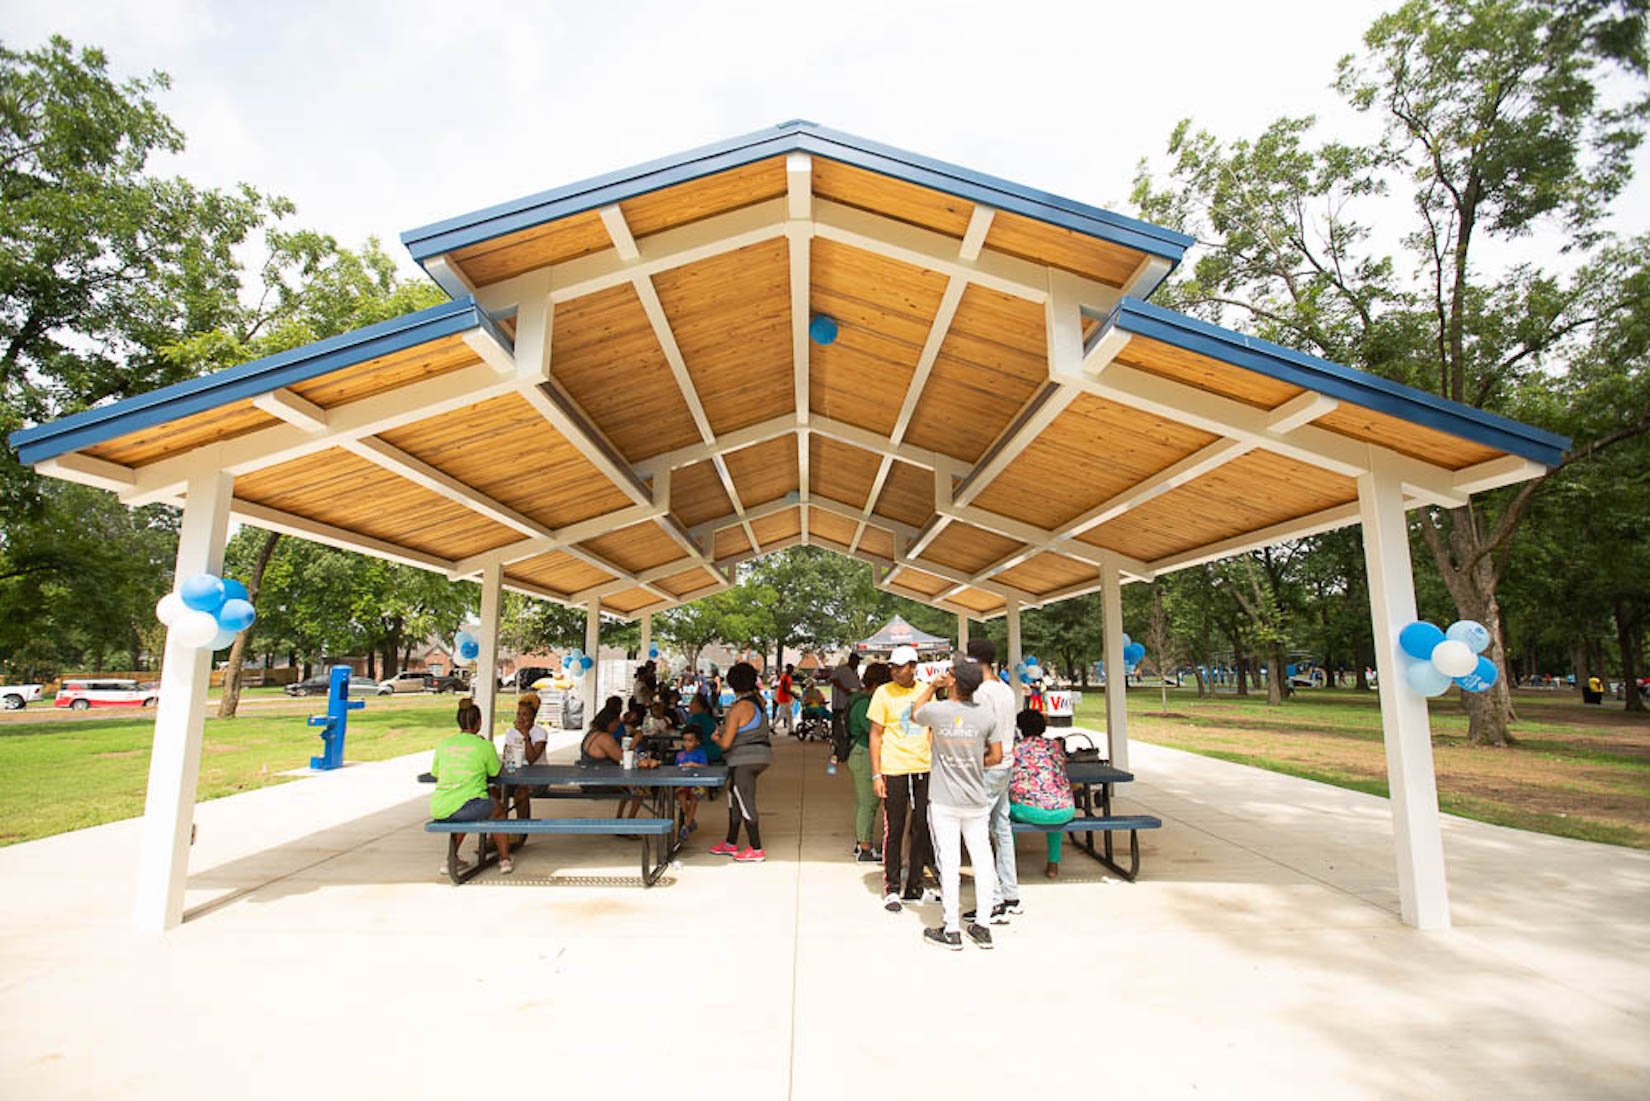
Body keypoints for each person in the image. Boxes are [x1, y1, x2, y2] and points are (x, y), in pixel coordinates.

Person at [908, 658, 1003, 950]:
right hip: (976, 799)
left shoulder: (938, 711)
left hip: (944, 800)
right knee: (983, 860)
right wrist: (974, 764)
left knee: (948, 862)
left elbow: (915, 714)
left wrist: (929, 687)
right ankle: (983, 925)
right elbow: (997, 756)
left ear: (954, 682)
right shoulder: (986, 716)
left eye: (948, 673)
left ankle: (951, 929)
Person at [868, 644, 935, 912]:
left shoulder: (926, 691)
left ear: (913, 667)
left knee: (921, 826)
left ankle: (915, 885)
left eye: (901, 666)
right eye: (893, 667)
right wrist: (876, 773)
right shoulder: (883, 693)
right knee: (894, 828)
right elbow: (876, 734)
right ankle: (892, 887)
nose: (895, 671)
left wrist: (928, 750)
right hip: (894, 767)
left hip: (922, 767)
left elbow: (932, 725)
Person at [966, 638, 1021, 924]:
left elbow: (979, 732)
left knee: (977, 832)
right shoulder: (1006, 690)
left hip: (988, 767)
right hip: (1008, 764)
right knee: (1002, 828)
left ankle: (994, 899)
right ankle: (1011, 894)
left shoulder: (981, 693)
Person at [430, 698, 513, 875]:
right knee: (497, 810)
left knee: (469, 809)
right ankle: (504, 859)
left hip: (440, 806)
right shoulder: (484, 746)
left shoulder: (443, 744)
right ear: (479, 722)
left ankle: (451, 858)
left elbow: (436, 773)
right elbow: (495, 772)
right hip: (467, 806)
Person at [708, 661, 772, 862]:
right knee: (734, 798)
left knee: (744, 800)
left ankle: (756, 848)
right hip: (761, 755)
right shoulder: (759, 702)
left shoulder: (738, 708)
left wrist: (716, 738)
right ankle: (730, 842)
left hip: (744, 759)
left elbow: (726, 743)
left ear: (732, 684)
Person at [1008, 708, 1075, 879]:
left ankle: (1009, 862)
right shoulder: (1054, 746)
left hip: (1030, 810)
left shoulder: (1016, 748)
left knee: (1005, 811)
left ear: (1020, 728)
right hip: (1064, 810)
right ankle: (1053, 863)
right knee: (1053, 803)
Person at [845, 662, 890, 862]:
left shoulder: (858, 699)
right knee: (868, 803)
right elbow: (875, 731)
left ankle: (861, 842)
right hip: (864, 754)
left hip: (858, 754)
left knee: (862, 802)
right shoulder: (866, 703)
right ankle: (865, 847)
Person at [501, 692, 550, 823]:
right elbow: (507, 756)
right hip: (516, 776)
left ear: (533, 717)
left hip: (537, 778)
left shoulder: (540, 734)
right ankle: (497, 832)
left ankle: (521, 830)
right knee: (495, 792)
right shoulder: (511, 733)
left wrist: (525, 736)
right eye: (518, 714)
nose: (521, 718)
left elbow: (532, 759)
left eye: (525, 715)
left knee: (521, 792)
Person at [674, 728, 710, 840]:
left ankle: (687, 826)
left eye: (690, 740)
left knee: (694, 800)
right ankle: (691, 818)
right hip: (684, 782)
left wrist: (693, 764)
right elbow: (677, 768)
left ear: (697, 742)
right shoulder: (680, 754)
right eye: (685, 740)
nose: (687, 743)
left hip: (697, 783)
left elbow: (705, 766)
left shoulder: (701, 753)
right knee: (681, 796)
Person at [830, 653, 862, 754]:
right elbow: (833, 679)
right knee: (839, 728)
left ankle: (845, 749)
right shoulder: (841, 669)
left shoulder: (855, 673)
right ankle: (837, 749)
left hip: (851, 704)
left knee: (848, 728)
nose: (857, 663)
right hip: (840, 704)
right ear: (851, 660)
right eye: (856, 661)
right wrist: (844, 689)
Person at [685, 693, 723, 764]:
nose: (690, 706)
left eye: (692, 703)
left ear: (699, 706)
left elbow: (690, 738)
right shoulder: (710, 718)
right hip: (717, 751)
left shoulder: (695, 719)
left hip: (700, 752)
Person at [772, 663, 796, 738]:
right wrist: (793, 694)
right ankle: (790, 730)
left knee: (786, 714)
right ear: (788, 669)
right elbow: (785, 689)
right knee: (785, 714)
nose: (792, 670)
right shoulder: (785, 677)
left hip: (786, 697)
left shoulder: (788, 677)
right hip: (783, 697)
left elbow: (787, 688)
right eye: (791, 668)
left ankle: (790, 730)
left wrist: (792, 693)